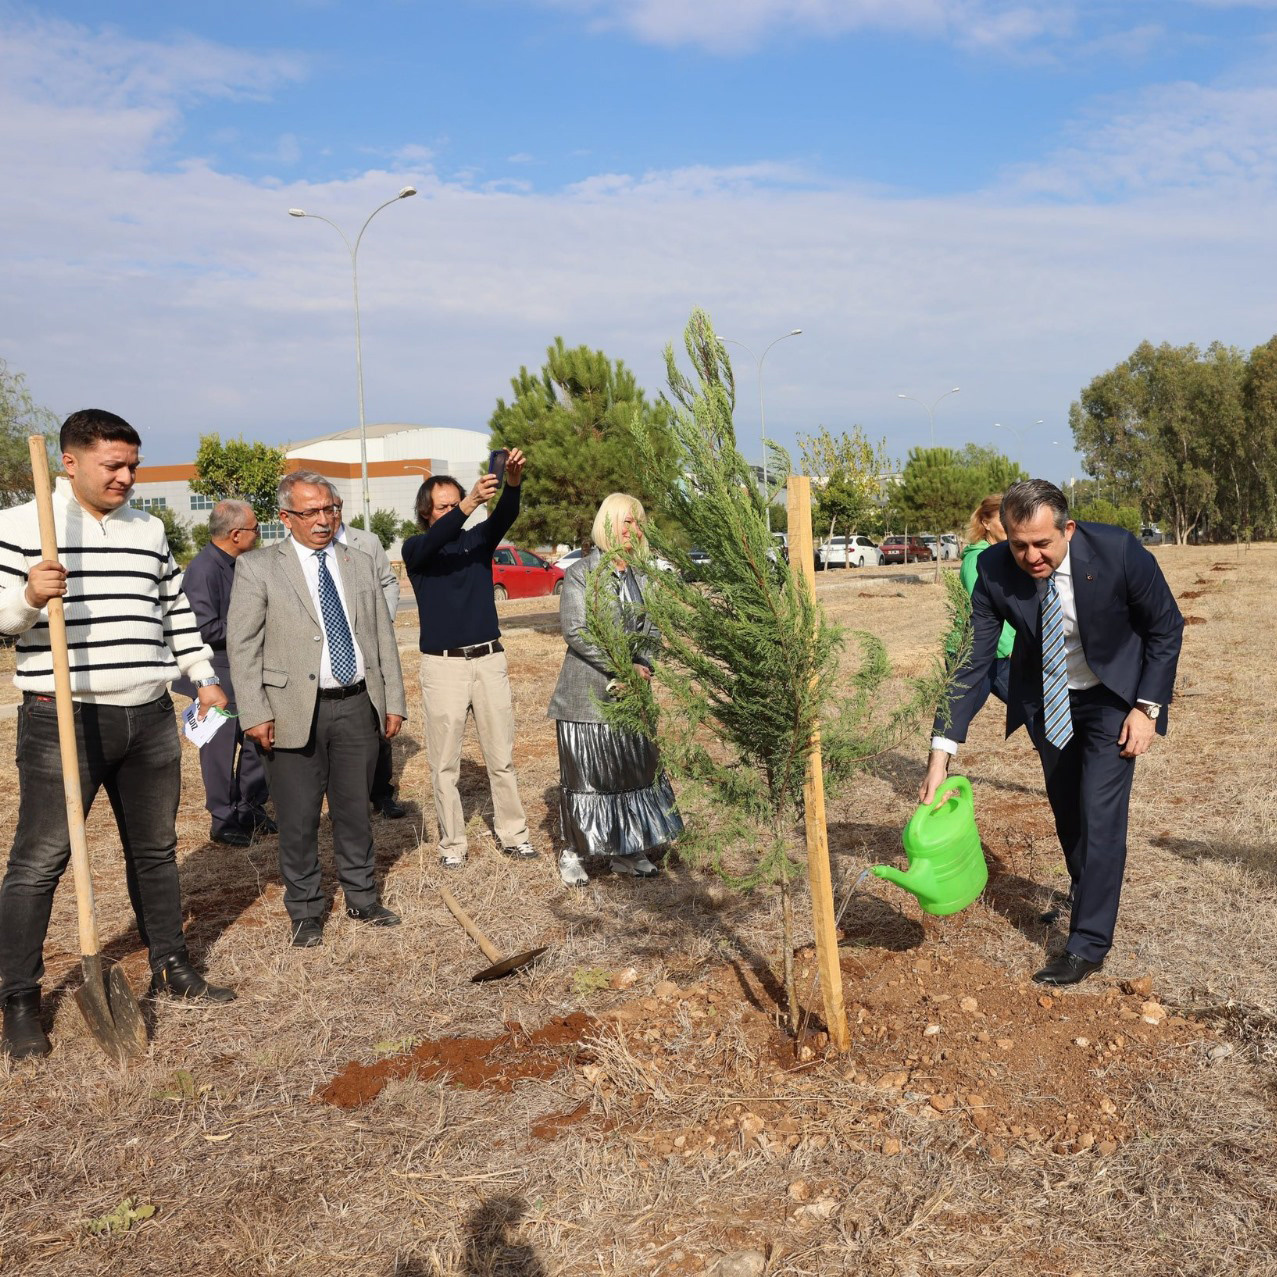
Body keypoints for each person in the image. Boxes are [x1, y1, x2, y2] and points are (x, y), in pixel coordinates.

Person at [0, 409, 235, 1060]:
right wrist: (28, 595)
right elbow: (0, 621)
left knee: (154, 850)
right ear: (69, 461)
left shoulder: (148, 527)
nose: (127, 476)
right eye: (114, 465)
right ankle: (19, 999)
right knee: (39, 862)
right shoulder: (20, 526)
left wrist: (200, 674)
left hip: (150, 712)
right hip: (63, 715)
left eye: (133, 464)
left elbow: (174, 609)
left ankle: (171, 965)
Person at [920, 479, 1183, 986]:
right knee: (1068, 812)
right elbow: (972, 664)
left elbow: (1165, 627)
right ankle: (1089, 895)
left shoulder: (1118, 552)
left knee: (1099, 813)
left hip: (1113, 694)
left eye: (1043, 543)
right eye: (1019, 544)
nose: (1031, 556)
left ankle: (1087, 944)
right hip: (1049, 699)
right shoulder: (995, 572)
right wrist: (940, 755)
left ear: (1068, 528)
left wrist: (1146, 709)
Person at [227, 471, 407, 948]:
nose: (324, 520)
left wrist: (392, 701)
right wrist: (255, 713)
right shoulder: (260, 567)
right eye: (311, 512)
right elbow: (241, 646)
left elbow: (381, 636)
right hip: (290, 713)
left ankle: (362, 897)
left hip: (356, 707)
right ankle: (306, 911)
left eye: (331, 509)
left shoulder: (359, 561)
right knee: (299, 816)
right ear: (286, 518)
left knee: (354, 811)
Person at [402, 450, 537, 868]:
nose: (450, 511)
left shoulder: (478, 541)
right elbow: (438, 538)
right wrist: (467, 504)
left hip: (488, 661)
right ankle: (453, 845)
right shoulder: (417, 550)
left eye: (454, 502)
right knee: (444, 765)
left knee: (502, 757)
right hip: (442, 667)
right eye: (441, 506)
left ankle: (514, 835)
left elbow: (505, 517)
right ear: (426, 513)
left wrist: (511, 483)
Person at [547, 494, 683, 887]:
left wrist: (643, 665)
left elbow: (653, 629)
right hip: (586, 696)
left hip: (632, 694)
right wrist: (621, 666)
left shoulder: (642, 575)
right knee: (588, 778)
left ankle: (626, 851)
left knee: (630, 771)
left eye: (637, 523)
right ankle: (574, 853)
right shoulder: (582, 573)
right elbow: (575, 629)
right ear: (606, 524)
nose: (632, 531)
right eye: (624, 523)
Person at [172, 500, 275, 846]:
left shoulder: (238, 564)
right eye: (255, 529)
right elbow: (203, 629)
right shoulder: (203, 569)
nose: (258, 535)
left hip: (244, 665)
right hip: (216, 670)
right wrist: (255, 623)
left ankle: (249, 807)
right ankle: (223, 817)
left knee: (255, 741)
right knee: (218, 747)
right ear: (235, 534)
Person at [333, 499, 408, 820]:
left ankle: (381, 793)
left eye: (334, 506)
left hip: (369, 646)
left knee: (377, 718)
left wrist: (384, 620)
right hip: (329, 648)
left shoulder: (367, 541)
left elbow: (389, 582)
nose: (329, 513)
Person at [951, 494, 1015, 710]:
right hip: (975, 652)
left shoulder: (1002, 557)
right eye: (1002, 519)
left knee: (1034, 711)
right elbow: (983, 609)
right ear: (986, 523)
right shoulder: (977, 560)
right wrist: (1009, 647)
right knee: (955, 716)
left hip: (995, 650)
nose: (1009, 525)